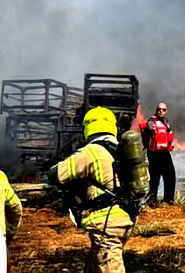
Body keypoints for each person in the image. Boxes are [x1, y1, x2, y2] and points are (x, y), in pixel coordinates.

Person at [49, 107, 136, 273]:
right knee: (95, 266)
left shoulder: (91, 152)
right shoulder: (122, 149)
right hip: (126, 218)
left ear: (88, 127)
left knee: (109, 267)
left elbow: (57, 174)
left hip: (107, 223)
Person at [140, 102, 176, 204]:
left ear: (166, 111)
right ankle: (152, 200)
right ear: (156, 110)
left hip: (164, 152)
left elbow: (168, 133)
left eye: (163, 110)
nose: (161, 111)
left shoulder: (166, 122)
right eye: (159, 109)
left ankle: (169, 199)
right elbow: (149, 128)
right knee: (154, 178)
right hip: (154, 153)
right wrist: (152, 130)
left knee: (170, 176)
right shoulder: (151, 121)